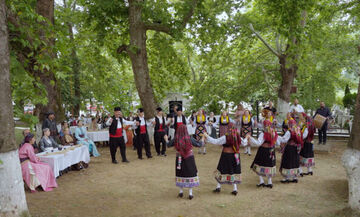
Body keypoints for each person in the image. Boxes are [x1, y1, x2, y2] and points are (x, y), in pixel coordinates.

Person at [205, 123, 247, 195]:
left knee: (222, 169)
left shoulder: (226, 137)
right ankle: (235, 189)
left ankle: (218, 187)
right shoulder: (238, 136)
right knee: (233, 170)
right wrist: (247, 137)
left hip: (226, 155)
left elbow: (216, 141)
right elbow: (244, 143)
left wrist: (207, 136)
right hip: (235, 155)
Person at [165, 125, 202, 200]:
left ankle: (181, 192)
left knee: (180, 173)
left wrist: (166, 139)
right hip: (189, 158)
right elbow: (199, 144)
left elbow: (168, 145)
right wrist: (203, 139)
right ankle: (190, 193)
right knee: (190, 173)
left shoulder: (176, 139)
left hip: (179, 158)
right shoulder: (189, 138)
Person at [248, 120, 279, 188]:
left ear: (264, 125)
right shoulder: (274, 132)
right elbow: (277, 143)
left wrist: (250, 138)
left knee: (259, 164)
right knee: (270, 164)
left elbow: (258, 143)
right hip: (271, 151)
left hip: (263, 150)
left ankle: (261, 181)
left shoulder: (263, 133)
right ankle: (269, 182)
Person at [277, 119, 303, 183]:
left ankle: (287, 178)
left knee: (287, 161)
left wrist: (277, 136)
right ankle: (295, 177)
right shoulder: (297, 130)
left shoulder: (289, 131)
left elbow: (284, 140)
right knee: (294, 161)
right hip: (295, 148)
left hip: (289, 148)